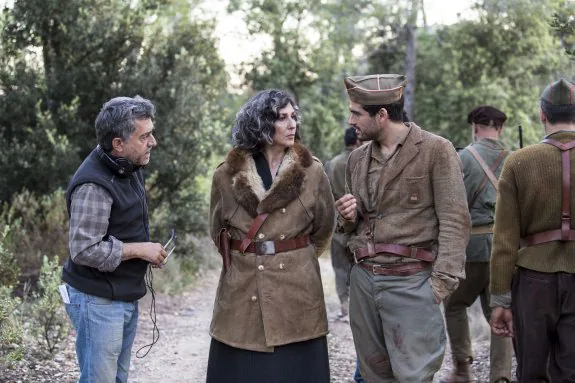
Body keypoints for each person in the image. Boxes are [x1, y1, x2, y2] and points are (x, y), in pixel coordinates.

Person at [335, 74, 471, 382]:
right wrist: (347, 216)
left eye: (356, 113)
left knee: (414, 376)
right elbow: (349, 228)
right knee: (373, 376)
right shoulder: (356, 159)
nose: (350, 120)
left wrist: (438, 286)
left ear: (381, 115)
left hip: (412, 282)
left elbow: (455, 219)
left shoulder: (436, 150)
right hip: (365, 281)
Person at [207, 89, 335, 383]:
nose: (292, 124)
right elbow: (218, 231)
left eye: (294, 117)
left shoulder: (313, 171)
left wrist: (291, 256)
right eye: (282, 118)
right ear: (261, 124)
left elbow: (324, 227)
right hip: (242, 289)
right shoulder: (225, 175)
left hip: (297, 290)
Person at [61, 96, 168, 383]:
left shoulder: (127, 165)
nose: (153, 142)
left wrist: (145, 252)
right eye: (144, 136)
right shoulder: (93, 185)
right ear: (118, 143)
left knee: (116, 378)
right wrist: (138, 250)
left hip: (120, 294)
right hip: (96, 299)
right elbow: (84, 250)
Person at [490, 78, 575, 382]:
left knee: (531, 371)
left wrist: (500, 300)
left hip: (532, 283)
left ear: (542, 113)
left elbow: (504, 241)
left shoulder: (518, 162)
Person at [443, 106, 513, 383]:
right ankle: (501, 376)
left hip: (472, 247)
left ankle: (463, 368)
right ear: (501, 128)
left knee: (454, 304)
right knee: (501, 312)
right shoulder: (515, 159)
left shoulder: (463, 158)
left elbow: (450, 206)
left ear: (475, 126)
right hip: (505, 250)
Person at [327, 126, 361, 320]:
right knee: (357, 265)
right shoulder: (362, 161)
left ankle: (344, 307)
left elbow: (328, 195)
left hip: (337, 223)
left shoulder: (331, 164)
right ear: (356, 141)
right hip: (359, 223)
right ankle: (357, 307)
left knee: (339, 266)